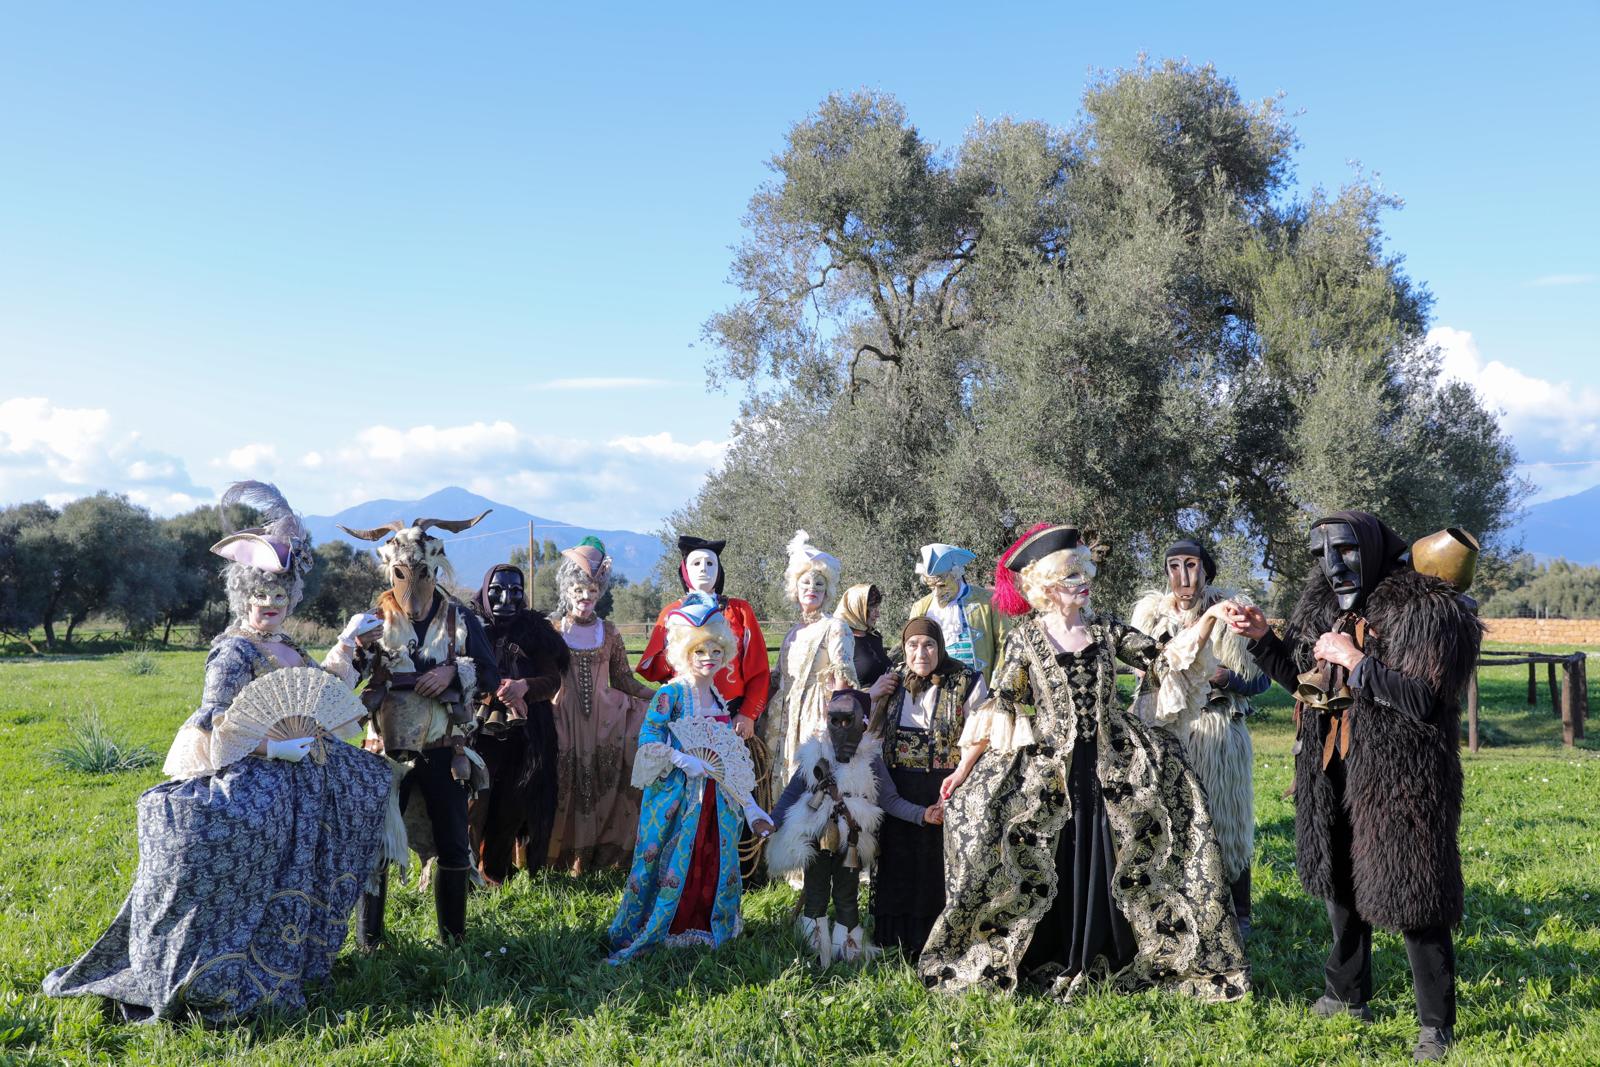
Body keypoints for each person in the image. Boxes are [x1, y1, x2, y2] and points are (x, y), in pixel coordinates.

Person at [44, 482, 396, 1022]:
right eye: (262, 595)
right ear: (243, 595)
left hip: (306, 771)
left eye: (280, 596)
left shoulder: (286, 645)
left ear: (293, 597)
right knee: (242, 841)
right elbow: (214, 720)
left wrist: (347, 640)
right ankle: (218, 969)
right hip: (257, 767)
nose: (271, 605)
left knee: (365, 788)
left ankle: (294, 961)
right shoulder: (232, 650)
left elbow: (322, 691)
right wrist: (272, 746)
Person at [920, 523, 1248, 1002]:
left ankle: (1122, 949)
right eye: (1073, 576)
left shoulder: (1106, 629)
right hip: (1050, 768)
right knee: (1030, 839)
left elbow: (1165, 660)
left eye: (1084, 573)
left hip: (1115, 760)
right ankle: (1046, 949)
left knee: (1140, 832)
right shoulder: (1025, 639)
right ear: (1048, 585)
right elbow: (1001, 708)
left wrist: (1210, 617)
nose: (1084, 582)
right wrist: (963, 769)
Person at [1223, 512, 1481, 1061]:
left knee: (1416, 897)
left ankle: (1436, 1025)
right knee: (1339, 883)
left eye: (1344, 550)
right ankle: (1346, 994)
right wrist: (1265, 638)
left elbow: (1425, 701)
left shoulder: (1424, 609)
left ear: (1371, 546)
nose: (1333, 565)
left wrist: (1357, 661)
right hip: (1331, 772)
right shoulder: (1323, 607)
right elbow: (1304, 684)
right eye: (1322, 554)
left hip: (1400, 780)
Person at [338, 509, 500, 946]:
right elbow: (343, 679)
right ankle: (370, 943)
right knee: (377, 844)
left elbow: (490, 675)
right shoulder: (372, 621)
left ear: (434, 568)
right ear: (391, 569)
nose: (412, 581)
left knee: (452, 841)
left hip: (445, 748)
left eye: (421, 572)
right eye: (401, 572)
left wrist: (454, 673)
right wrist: (354, 647)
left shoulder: (460, 620)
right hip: (384, 750)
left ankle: (453, 940)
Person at [608, 594, 774, 960]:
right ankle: (666, 926)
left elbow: (727, 759)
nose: (709, 658)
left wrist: (751, 808)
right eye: (700, 651)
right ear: (685, 652)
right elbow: (649, 740)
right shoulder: (671, 694)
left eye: (716, 651)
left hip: (716, 800)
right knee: (672, 859)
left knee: (710, 858)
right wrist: (682, 759)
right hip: (679, 799)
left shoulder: (716, 695)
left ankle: (704, 924)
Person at [1130, 539, 1268, 936]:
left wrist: (1229, 678)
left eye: (1191, 565)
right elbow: (1141, 672)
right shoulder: (1152, 618)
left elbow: (1260, 679)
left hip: (1218, 731)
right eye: (1174, 566)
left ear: (1206, 570)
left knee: (1226, 819)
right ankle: (1177, 905)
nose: (1183, 577)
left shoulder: (1231, 614)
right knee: (1171, 820)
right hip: (1166, 732)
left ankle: (1238, 912)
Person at [767, 689, 931, 965]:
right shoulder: (813, 756)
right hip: (815, 833)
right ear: (827, 720)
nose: (842, 728)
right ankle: (816, 951)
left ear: (862, 723)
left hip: (853, 839)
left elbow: (890, 800)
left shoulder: (871, 760)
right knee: (816, 891)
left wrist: (921, 815)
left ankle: (848, 951)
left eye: (848, 720)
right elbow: (791, 794)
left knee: (847, 895)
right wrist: (771, 822)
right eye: (836, 720)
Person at [869, 618, 983, 955]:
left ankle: (937, 939)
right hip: (899, 786)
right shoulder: (893, 680)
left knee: (937, 864)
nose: (921, 653)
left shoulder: (966, 680)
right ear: (904, 648)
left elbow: (981, 735)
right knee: (899, 861)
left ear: (940, 647)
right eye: (913, 645)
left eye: (929, 645)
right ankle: (896, 938)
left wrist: (959, 781)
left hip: (945, 786)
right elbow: (867, 723)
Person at [547, 538, 655, 873]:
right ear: (567, 590)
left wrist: (659, 696)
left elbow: (623, 679)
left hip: (606, 721)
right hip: (562, 718)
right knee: (562, 785)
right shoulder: (552, 630)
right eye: (579, 589)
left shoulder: (608, 632)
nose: (585, 597)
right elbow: (541, 677)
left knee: (604, 785)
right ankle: (558, 859)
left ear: (600, 593)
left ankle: (601, 857)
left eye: (592, 591)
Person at [467, 563, 570, 886]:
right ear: (486, 590)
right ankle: (462, 873)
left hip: (526, 735)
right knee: (473, 802)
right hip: (475, 732)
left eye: (515, 590)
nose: (506, 598)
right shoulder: (467, 627)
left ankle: (494, 872)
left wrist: (524, 686)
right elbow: (456, 670)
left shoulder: (536, 631)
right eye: (497, 590)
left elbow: (552, 679)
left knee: (513, 804)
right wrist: (491, 690)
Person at [637, 535, 772, 740]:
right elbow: (657, 666)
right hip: (683, 715)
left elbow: (758, 668)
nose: (703, 569)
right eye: (696, 563)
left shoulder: (740, 611)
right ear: (685, 570)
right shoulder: (671, 614)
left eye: (710, 563)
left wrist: (748, 714)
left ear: (719, 570)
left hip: (733, 716)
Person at [763, 531, 859, 787]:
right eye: (806, 583)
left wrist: (836, 724)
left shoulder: (835, 626)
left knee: (810, 783)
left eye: (819, 584)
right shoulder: (792, 632)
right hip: (783, 716)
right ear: (795, 589)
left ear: (827, 592)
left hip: (815, 714)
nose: (812, 589)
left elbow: (843, 680)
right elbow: (777, 677)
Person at [908, 543, 1005, 680]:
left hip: (985, 687)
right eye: (931, 587)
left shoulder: (988, 600)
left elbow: (1005, 644)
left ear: (956, 576)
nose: (937, 593)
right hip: (939, 687)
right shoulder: (920, 608)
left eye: (942, 585)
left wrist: (996, 684)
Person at [835, 583, 894, 691]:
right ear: (856, 607)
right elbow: (839, 693)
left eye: (877, 607)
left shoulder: (874, 636)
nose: (877, 614)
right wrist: (871, 693)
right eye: (872, 607)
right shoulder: (841, 641)